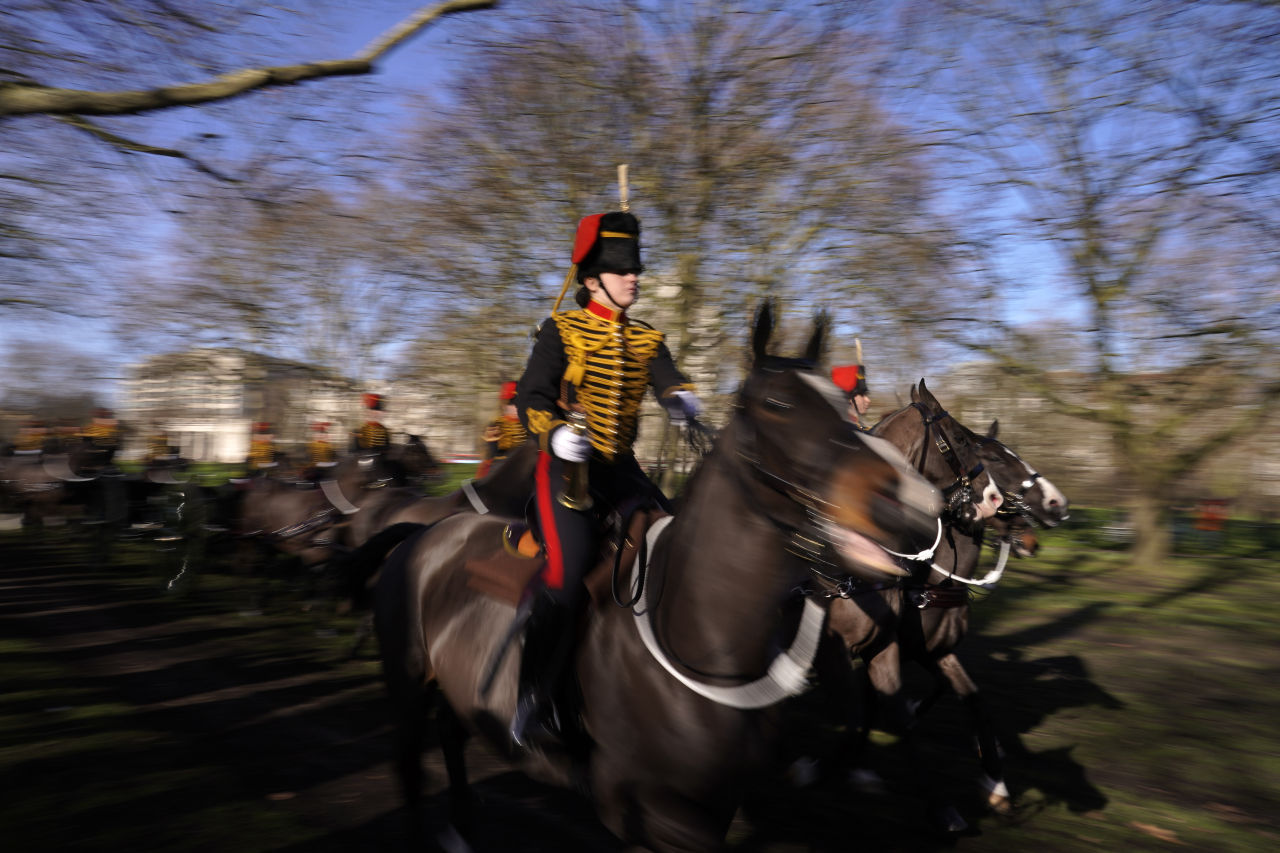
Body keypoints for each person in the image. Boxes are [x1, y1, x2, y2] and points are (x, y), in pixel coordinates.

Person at [510, 209, 702, 748]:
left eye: (636, 268)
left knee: (679, 549)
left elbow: (668, 381)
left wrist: (683, 401)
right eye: (622, 270)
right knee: (567, 576)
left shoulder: (646, 338)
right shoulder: (561, 331)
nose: (634, 276)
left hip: (622, 469)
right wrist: (552, 435)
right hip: (566, 469)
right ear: (593, 280)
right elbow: (532, 396)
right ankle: (533, 700)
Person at [476, 381, 527, 477]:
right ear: (504, 405)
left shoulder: (528, 423)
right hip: (502, 469)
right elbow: (493, 454)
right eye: (513, 404)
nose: (517, 408)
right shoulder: (496, 424)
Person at [831, 347, 871, 430]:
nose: (868, 400)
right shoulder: (840, 428)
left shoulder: (860, 426)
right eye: (862, 395)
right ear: (849, 399)